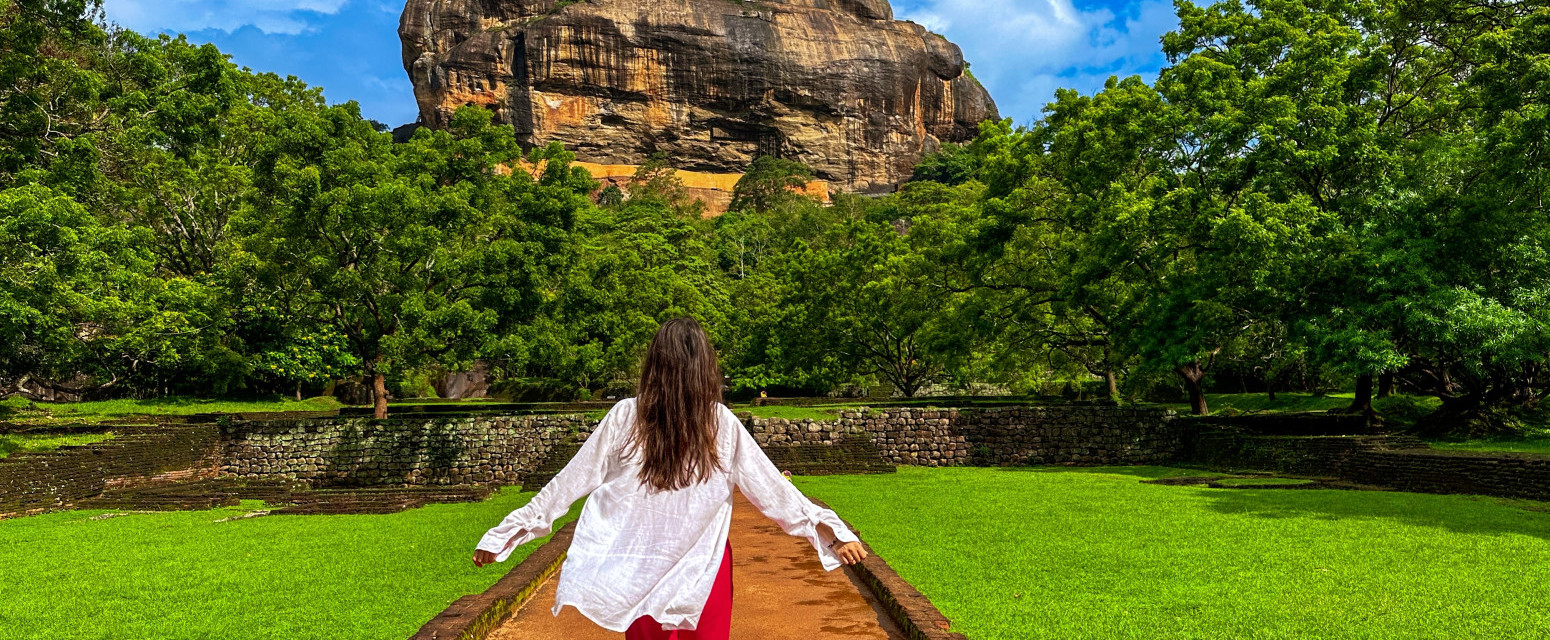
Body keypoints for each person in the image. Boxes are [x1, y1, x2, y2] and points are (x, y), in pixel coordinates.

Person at [471, 317, 868, 639]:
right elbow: (773, 490)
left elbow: (566, 484)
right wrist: (831, 532)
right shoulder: (715, 422)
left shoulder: (630, 416)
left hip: (638, 563)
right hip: (703, 569)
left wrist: (504, 534)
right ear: (704, 367)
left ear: (655, 364)